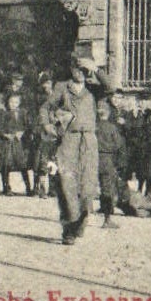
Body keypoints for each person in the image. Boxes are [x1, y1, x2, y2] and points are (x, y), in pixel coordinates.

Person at [47, 58, 100, 245]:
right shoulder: (62, 87)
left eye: (83, 70)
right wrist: (49, 127)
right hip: (69, 139)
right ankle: (68, 229)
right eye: (76, 69)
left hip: (89, 140)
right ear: (71, 69)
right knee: (66, 183)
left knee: (87, 185)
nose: (79, 73)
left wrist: (96, 69)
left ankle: (81, 221)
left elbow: (110, 88)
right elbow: (46, 108)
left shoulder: (94, 88)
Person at [95, 100, 123, 227]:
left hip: (93, 159)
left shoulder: (93, 126)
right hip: (107, 160)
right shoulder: (112, 127)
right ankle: (107, 219)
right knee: (107, 189)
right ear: (108, 113)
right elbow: (118, 145)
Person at [31, 73, 59, 198]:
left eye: (48, 83)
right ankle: (39, 187)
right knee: (41, 161)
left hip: (55, 132)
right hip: (42, 133)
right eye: (44, 83)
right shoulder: (39, 98)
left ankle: (53, 188)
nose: (46, 85)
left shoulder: (58, 96)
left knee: (54, 160)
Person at [0, 89, 32, 195]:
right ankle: (6, 187)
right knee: (6, 164)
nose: (13, 104)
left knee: (22, 164)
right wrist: (5, 134)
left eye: (16, 102)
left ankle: (28, 187)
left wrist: (22, 132)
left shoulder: (23, 113)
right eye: (11, 102)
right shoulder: (4, 113)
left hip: (19, 142)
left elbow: (28, 126)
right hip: (7, 141)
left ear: (19, 103)